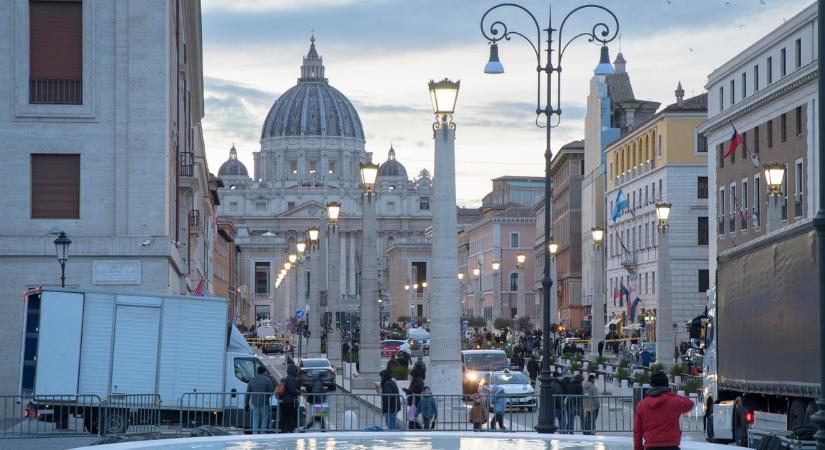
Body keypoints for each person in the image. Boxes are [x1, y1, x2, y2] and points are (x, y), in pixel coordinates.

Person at [633, 372, 695, 450]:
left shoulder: (642, 405)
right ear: (667, 385)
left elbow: (637, 432)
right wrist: (671, 394)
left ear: (652, 385)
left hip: (651, 447)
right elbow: (690, 403)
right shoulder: (674, 401)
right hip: (671, 446)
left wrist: (638, 448)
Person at [245, 365, 275, 434]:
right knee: (264, 419)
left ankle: (254, 433)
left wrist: (246, 403)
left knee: (255, 419)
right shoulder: (267, 380)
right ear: (264, 372)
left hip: (255, 402)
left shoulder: (252, 380)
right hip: (265, 402)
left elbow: (248, 393)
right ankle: (262, 433)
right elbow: (271, 391)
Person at [277, 363, 301, 433]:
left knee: (284, 416)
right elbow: (292, 390)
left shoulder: (285, 377)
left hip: (283, 400)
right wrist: (300, 392)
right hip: (290, 401)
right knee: (291, 416)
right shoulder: (291, 378)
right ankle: (289, 430)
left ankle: (282, 429)